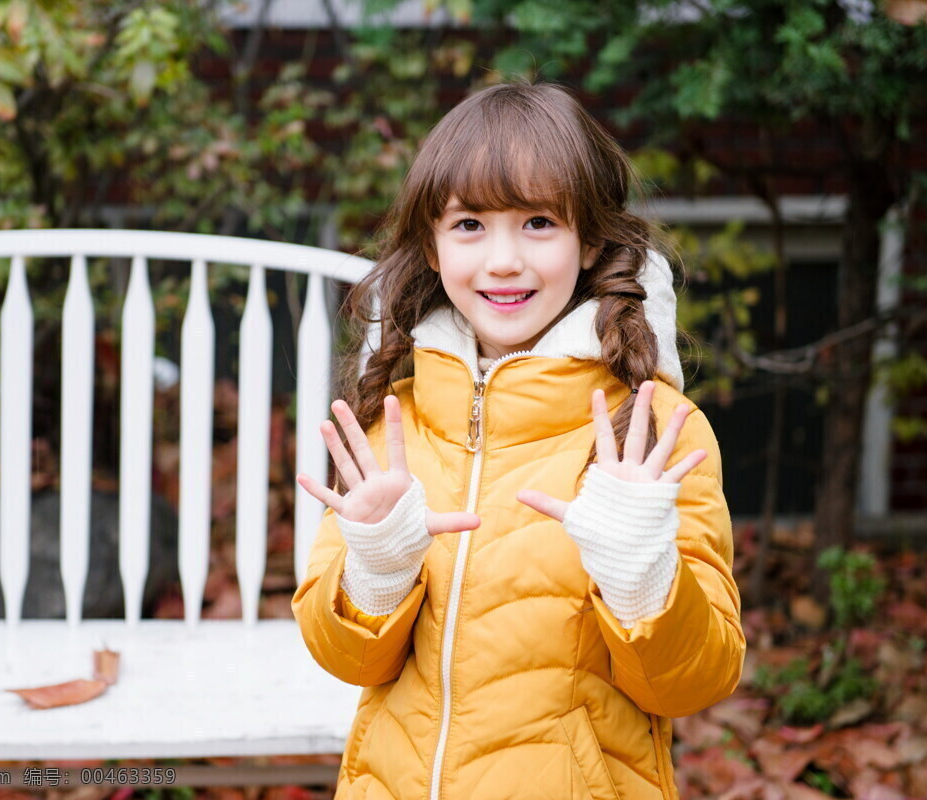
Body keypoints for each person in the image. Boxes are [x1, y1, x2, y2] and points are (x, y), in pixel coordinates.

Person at [291, 81, 744, 800]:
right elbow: (348, 661)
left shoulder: (649, 432)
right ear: (433, 247)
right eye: (470, 224)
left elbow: (694, 682)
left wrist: (640, 572)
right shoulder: (395, 423)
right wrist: (377, 570)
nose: (503, 260)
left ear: (590, 239)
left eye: (538, 222)